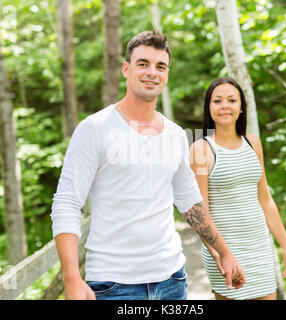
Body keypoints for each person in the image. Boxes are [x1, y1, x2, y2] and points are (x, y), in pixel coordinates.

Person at [50, 31, 245, 300]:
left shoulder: (175, 134)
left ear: (166, 75)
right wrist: (71, 277)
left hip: (172, 279)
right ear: (126, 69)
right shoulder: (94, 128)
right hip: (113, 285)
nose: (152, 72)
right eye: (143, 64)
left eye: (160, 66)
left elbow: (190, 201)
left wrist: (224, 252)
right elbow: (67, 203)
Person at [189, 77, 286, 300]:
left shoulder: (253, 143)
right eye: (217, 101)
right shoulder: (201, 149)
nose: (225, 106)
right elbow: (200, 215)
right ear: (209, 108)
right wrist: (219, 255)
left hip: (259, 248)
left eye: (232, 100)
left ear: (241, 107)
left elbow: (265, 199)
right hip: (225, 251)